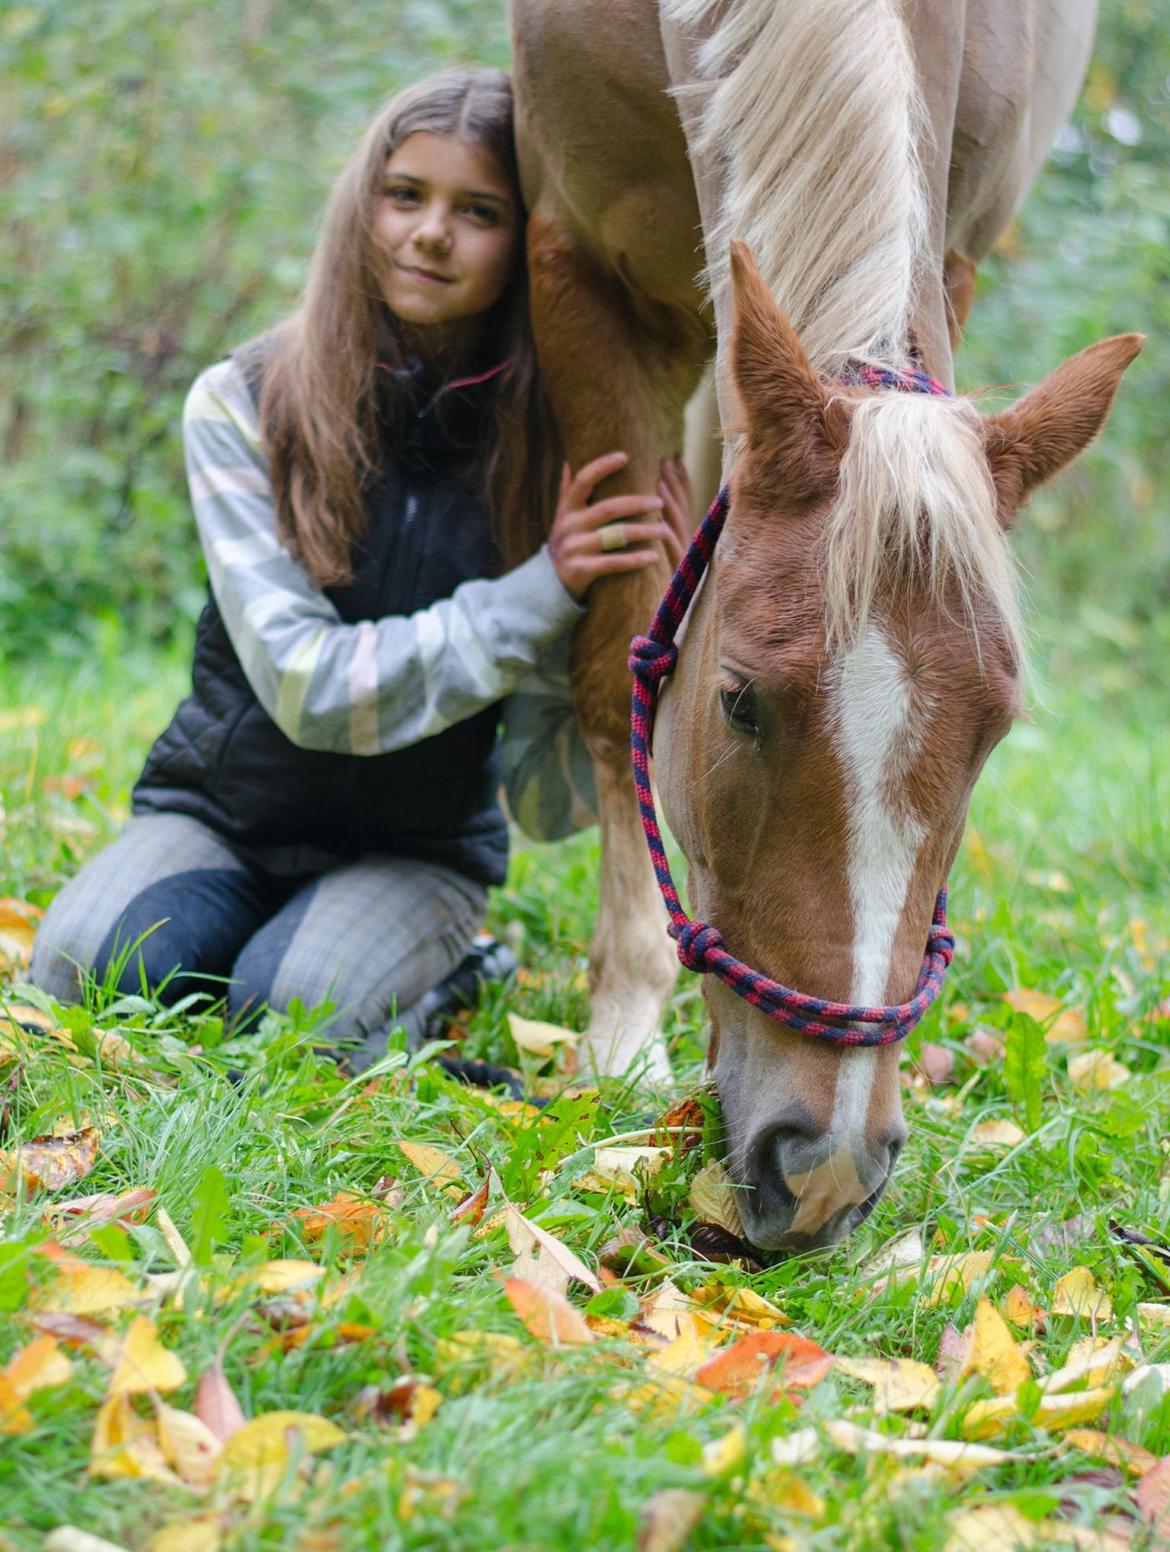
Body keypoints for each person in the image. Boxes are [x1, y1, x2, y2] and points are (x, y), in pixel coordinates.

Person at [30, 67, 692, 1070]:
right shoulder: (241, 400)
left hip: (413, 852)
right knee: (81, 967)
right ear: (361, 206)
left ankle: (445, 968)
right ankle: (300, 951)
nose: (431, 233)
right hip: (221, 819)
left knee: (288, 1013)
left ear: (526, 242)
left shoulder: (560, 454)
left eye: (479, 211)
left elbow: (550, 806)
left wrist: (636, 629)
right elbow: (304, 687)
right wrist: (537, 591)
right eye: (406, 196)